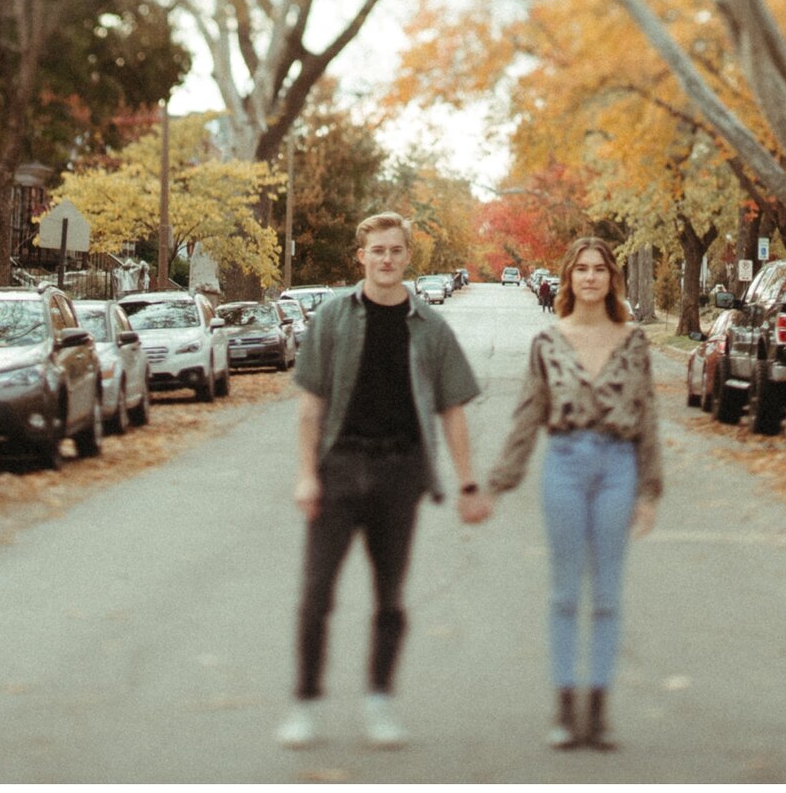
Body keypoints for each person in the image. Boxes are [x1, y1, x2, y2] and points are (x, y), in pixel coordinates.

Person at [281, 212, 486, 751]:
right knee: (316, 594)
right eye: (377, 250)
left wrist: (467, 483)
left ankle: (379, 701)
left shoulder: (430, 327)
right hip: (339, 470)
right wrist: (306, 475)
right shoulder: (332, 317)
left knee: (389, 596)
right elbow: (310, 406)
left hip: (401, 473)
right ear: (362, 256)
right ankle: (305, 702)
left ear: (407, 256)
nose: (387, 259)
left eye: (396, 250)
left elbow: (453, 408)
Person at [481, 236, 662, 751]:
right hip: (564, 464)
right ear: (568, 279)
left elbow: (648, 416)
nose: (589, 277)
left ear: (611, 279)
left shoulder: (633, 341)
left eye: (598, 269)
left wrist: (649, 492)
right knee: (565, 593)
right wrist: (498, 482)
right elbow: (526, 417)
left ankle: (597, 714)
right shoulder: (548, 342)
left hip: (617, 466)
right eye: (580, 269)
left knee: (606, 594)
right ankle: (564, 712)